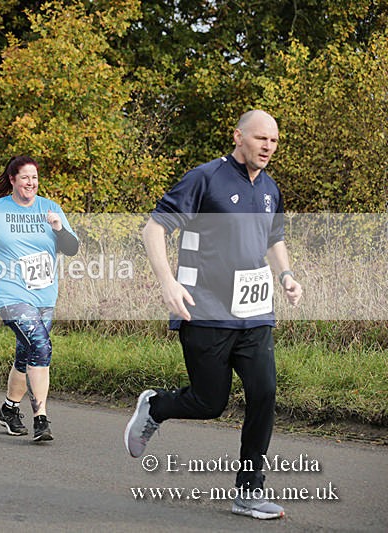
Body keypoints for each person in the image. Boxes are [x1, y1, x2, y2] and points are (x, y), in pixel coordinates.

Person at [124, 110, 303, 519]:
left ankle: (249, 491)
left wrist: (287, 275)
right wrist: (168, 283)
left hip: (254, 312)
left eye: (274, 141)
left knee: (264, 393)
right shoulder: (205, 178)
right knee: (209, 402)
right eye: (260, 138)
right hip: (204, 309)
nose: (268, 147)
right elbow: (154, 229)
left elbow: (274, 238)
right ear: (238, 136)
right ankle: (156, 407)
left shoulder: (270, 188)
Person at [0, 156, 79, 442]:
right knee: (41, 347)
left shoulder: (50, 208)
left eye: (34, 178)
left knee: (26, 354)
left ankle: (9, 410)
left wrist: (59, 228)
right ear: (12, 179)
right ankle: (41, 419)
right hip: (10, 294)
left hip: (44, 295)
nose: (31, 183)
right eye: (25, 177)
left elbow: (72, 248)